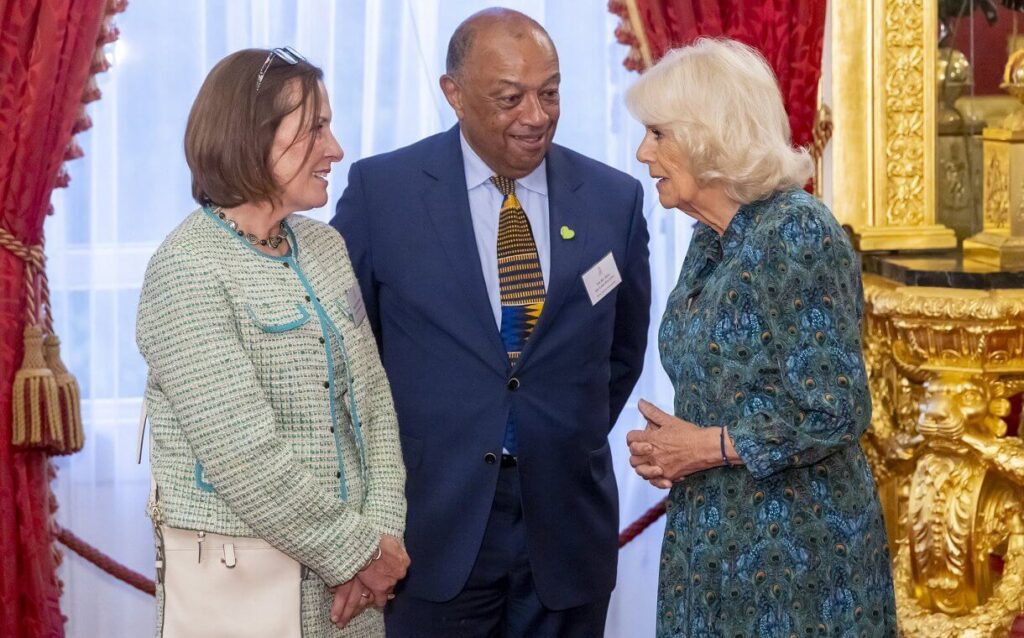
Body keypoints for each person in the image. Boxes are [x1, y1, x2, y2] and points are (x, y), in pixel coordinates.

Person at [332, 8, 651, 637]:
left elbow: (621, 353)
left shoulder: (613, 199)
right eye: (509, 98)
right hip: (430, 527)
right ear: (453, 94)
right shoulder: (383, 194)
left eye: (550, 92)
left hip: (565, 527)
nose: (536, 116)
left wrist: (552, 432)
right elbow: (346, 353)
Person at [623, 38, 897, 637]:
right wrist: (676, 445)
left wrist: (707, 446)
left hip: (801, 558)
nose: (643, 151)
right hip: (713, 539)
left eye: (658, 134)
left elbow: (837, 411)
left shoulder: (796, 230)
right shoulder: (711, 236)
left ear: (707, 135)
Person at [136, 48, 409, 637]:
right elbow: (245, 457)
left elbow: (375, 406)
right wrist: (360, 554)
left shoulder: (326, 249)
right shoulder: (184, 270)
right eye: (315, 128)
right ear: (251, 136)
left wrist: (385, 529)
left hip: (354, 600)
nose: (335, 148)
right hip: (248, 589)